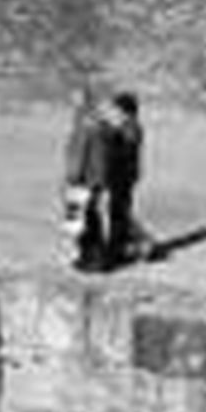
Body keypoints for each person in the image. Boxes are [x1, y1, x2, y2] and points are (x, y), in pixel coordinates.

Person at [60, 84, 111, 271]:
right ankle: (94, 257)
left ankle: (91, 259)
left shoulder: (84, 122)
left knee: (85, 221)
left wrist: (73, 178)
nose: (72, 101)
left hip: (85, 179)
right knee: (92, 217)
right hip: (95, 177)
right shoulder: (96, 120)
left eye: (75, 98)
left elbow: (79, 153)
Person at [104, 90, 149, 267]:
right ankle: (124, 246)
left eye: (117, 110)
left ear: (126, 111)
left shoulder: (131, 127)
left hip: (123, 176)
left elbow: (125, 150)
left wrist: (112, 138)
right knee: (119, 211)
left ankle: (121, 249)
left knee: (119, 213)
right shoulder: (126, 125)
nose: (114, 113)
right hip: (122, 175)